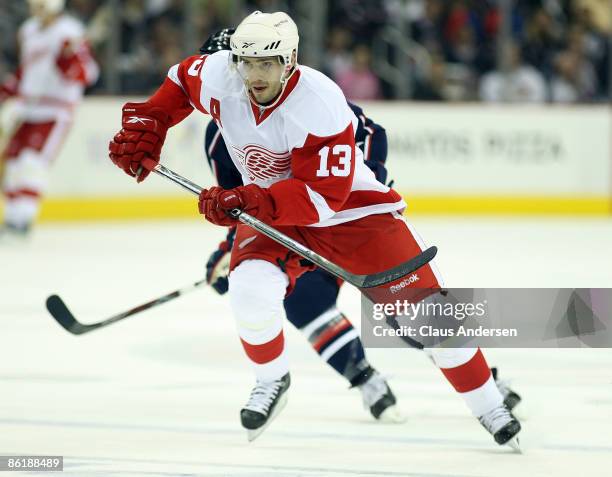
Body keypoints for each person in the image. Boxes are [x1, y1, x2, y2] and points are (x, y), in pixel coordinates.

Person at [108, 11, 521, 447]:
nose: (253, 73)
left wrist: (243, 202)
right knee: (248, 286)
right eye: (245, 62)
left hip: (351, 214)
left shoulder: (319, 101)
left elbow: (321, 198)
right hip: (274, 211)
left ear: (289, 60)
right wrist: (148, 124)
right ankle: (272, 380)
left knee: (429, 318)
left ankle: (491, 405)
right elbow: (176, 84)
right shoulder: (221, 76)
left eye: (265, 63)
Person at [0, 0, 99, 238]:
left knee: (32, 162)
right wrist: (9, 90)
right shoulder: (28, 30)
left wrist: (68, 60)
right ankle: (12, 217)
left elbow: (89, 73)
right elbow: (26, 69)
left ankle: (23, 219)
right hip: (27, 108)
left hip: (55, 109)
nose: (38, 10)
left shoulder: (70, 30)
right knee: (12, 163)